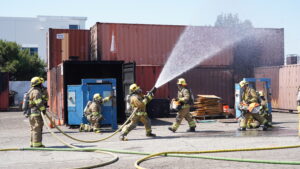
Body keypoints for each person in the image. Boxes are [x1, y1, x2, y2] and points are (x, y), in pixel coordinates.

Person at [28, 77, 47, 147]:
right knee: (37, 128)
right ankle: (37, 144)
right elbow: (38, 102)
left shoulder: (32, 90)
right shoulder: (37, 91)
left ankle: (32, 143)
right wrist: (43, 109)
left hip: (32, 113)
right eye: (41, 83)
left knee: (34, 128)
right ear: (38, 84)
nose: (42, 84)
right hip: (36, 113)